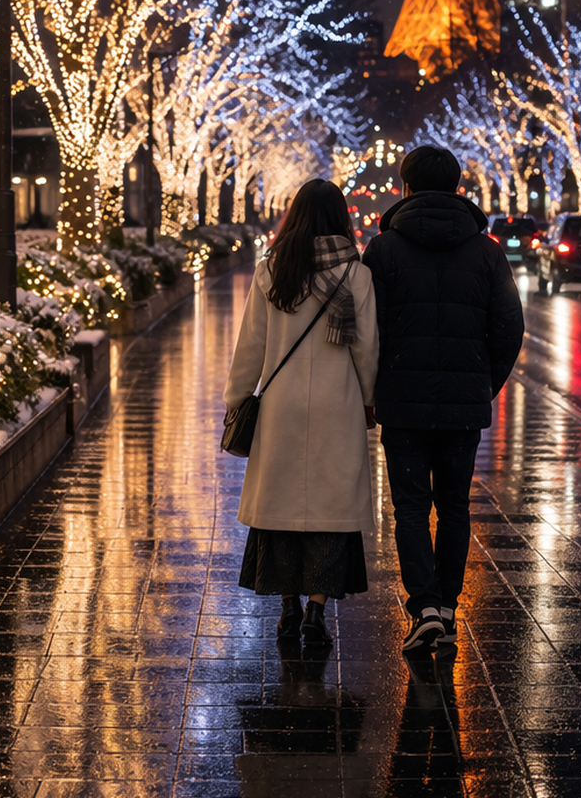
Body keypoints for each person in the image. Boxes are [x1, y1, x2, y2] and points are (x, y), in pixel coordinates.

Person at [362, 144, 524, 655]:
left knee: (410, 508)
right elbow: (509, 328)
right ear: (458, 186)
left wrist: (373, 388)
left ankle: (425, 607)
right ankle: (449, 608)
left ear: (406, 187)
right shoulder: (488, 252)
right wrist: (482, 383)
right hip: (462, 405)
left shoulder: (383, 250)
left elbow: (369, 330)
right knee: (454, 505)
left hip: (402, 402)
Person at [224, 178, 378, 645]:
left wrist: (237, 398)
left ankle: (287, 605)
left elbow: (251, 344)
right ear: (340, 217)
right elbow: (366, 348)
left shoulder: (274, 271)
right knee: (331, 512)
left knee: (281, 511)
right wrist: (369, 400)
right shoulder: (355, 274)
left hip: (280, 408)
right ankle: (316, 609)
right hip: (338, 405)